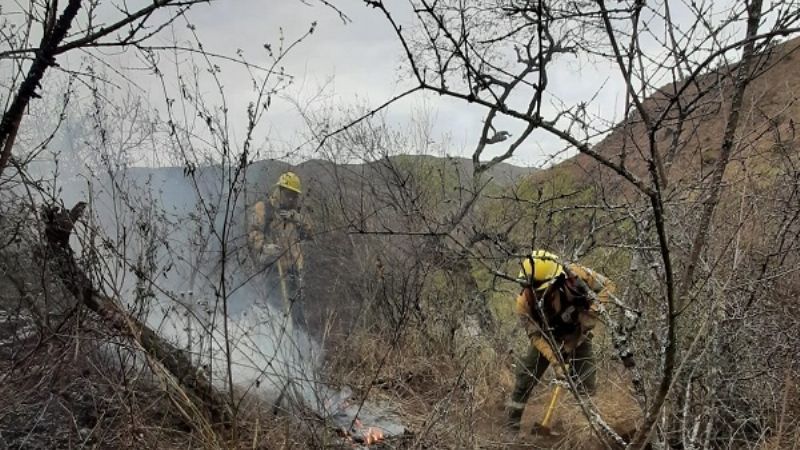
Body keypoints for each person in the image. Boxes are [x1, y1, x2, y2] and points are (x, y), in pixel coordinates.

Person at [504, 250, 615, 431]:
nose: (532, 292)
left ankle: (587, 429)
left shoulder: (576, 275)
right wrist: (556, 362)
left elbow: (609, 286)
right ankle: (511, 424)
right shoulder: (524, 303)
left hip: (578, 336)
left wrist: (593, 310)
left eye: (538, 287)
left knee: (587, 385)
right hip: (548, 338)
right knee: (525, 377)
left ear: (553, 281)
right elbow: (535, 336)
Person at [248, 171, 312, 328]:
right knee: (276, 311)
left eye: (293, 196)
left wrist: (297, 219)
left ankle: (299, 347)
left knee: (297, 314)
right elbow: (254, 232)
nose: (290, 199)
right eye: (287, 194)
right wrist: (264, 248)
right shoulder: (264, 208)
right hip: (272, 270)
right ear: (279, 191)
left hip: (293, 270)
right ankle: (276, 345)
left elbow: (310, 234)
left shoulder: (295, 214)